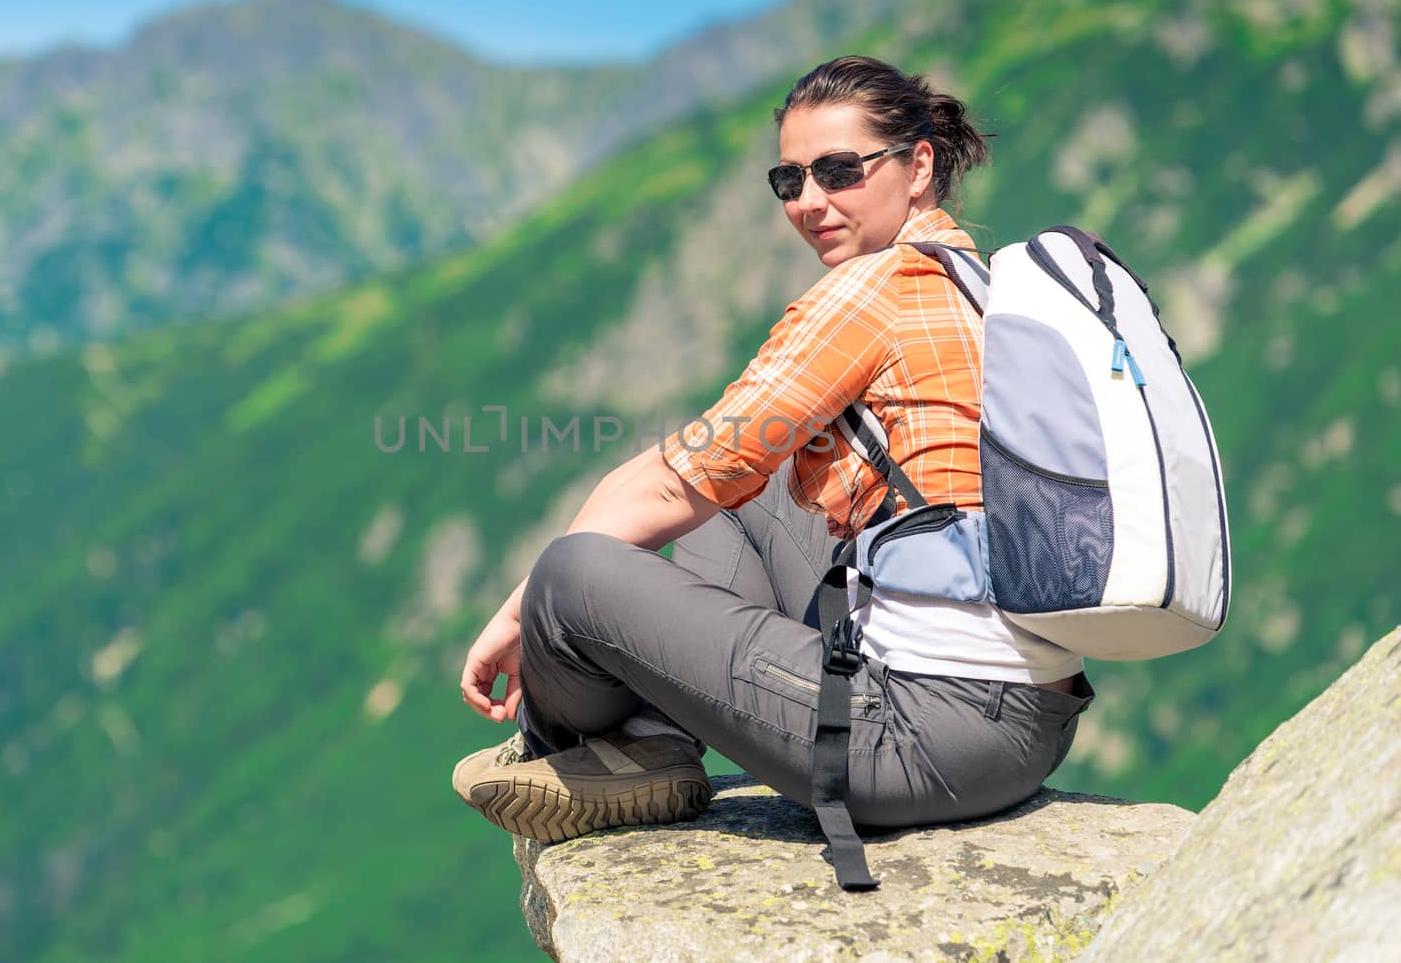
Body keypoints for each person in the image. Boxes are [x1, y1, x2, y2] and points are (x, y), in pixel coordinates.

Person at [452, 55, 1094, 844]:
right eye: (790, 180)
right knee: (744, 498)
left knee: (570, 572)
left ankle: (590, 757)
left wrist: (525, 611)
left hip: (923, 737)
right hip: (1031, 718)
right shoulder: (980, 282)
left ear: (918, 165)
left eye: (838, 170)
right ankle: (650, 739)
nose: (810, 203)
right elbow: (718, 468)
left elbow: (668, 484)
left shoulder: (877, 288)